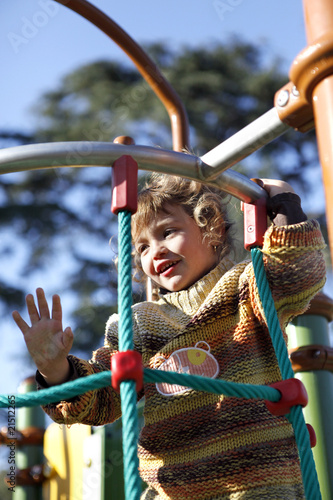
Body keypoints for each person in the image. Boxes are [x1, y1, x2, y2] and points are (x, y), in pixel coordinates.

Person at [12, 174, 326, 500]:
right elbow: (101, 399)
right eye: (143, 247)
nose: (156, 251)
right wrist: (54, 368)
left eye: (168, 232)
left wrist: (285, 203)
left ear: (213, 227)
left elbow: (298, 272)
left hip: (260, 484)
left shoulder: (247, 290)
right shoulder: (139, 323)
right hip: (175, 490)